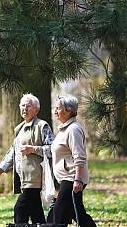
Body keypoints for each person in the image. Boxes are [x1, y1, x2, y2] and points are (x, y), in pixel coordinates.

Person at [0, 93, 55, 224]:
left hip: (35, 178)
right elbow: (12, 153)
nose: (25, 108)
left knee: (20, 209)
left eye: (28, 106)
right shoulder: (19, 129)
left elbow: (53, 149)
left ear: (36, 109)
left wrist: (33, 149)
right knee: (37, 216)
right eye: (22, 105)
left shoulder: (42, 126)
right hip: (23, 179)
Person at [48, 95, 97, 227]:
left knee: (58, 214)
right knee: (76, 213)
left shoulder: (73, 129)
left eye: (58, 108)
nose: (55, 111)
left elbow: (79, 157)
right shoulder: (64, 129)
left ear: (69, 110)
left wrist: (78, 180)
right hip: (65, 179)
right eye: (55, 108)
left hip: (72, 178)